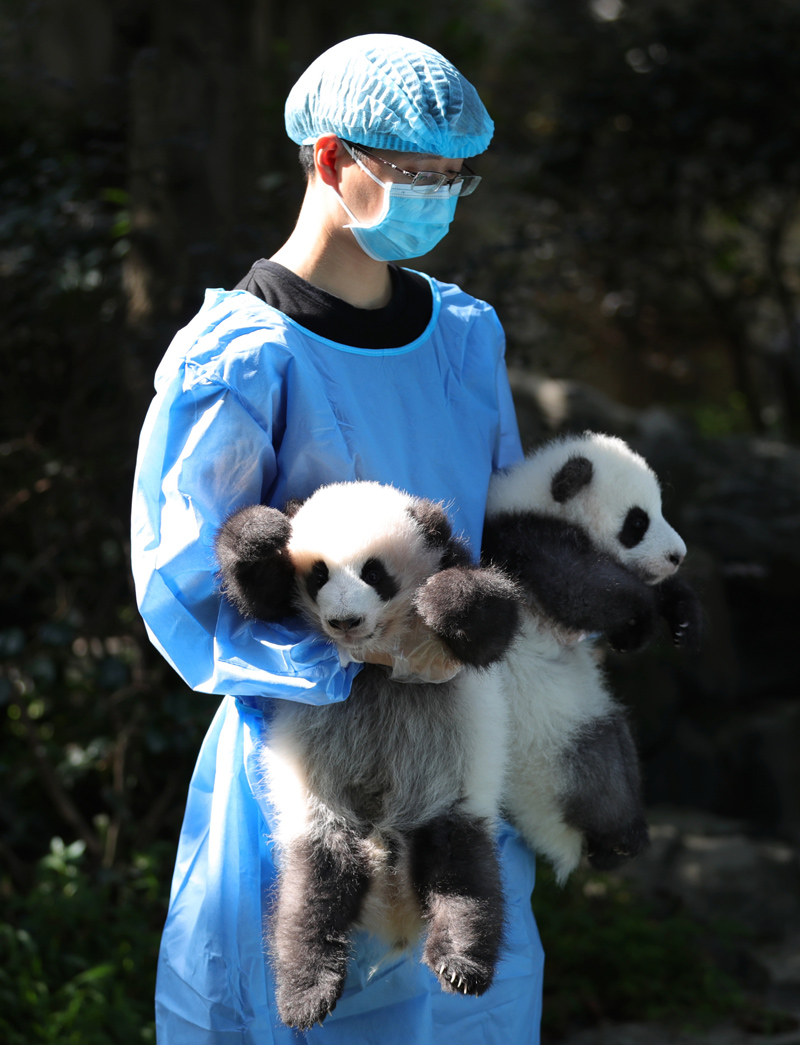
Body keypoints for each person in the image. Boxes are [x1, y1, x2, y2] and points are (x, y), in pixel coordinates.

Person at [132, 33, 544, 1043]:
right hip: (309, 781)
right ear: (329, 160)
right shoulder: (239, 355)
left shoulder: (462, 337)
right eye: (414, 175)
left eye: (455, 179)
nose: (438, 199)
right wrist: (350, 649)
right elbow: (183, 583)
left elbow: (504, 531)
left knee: (466, 1013)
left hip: (456, 767)